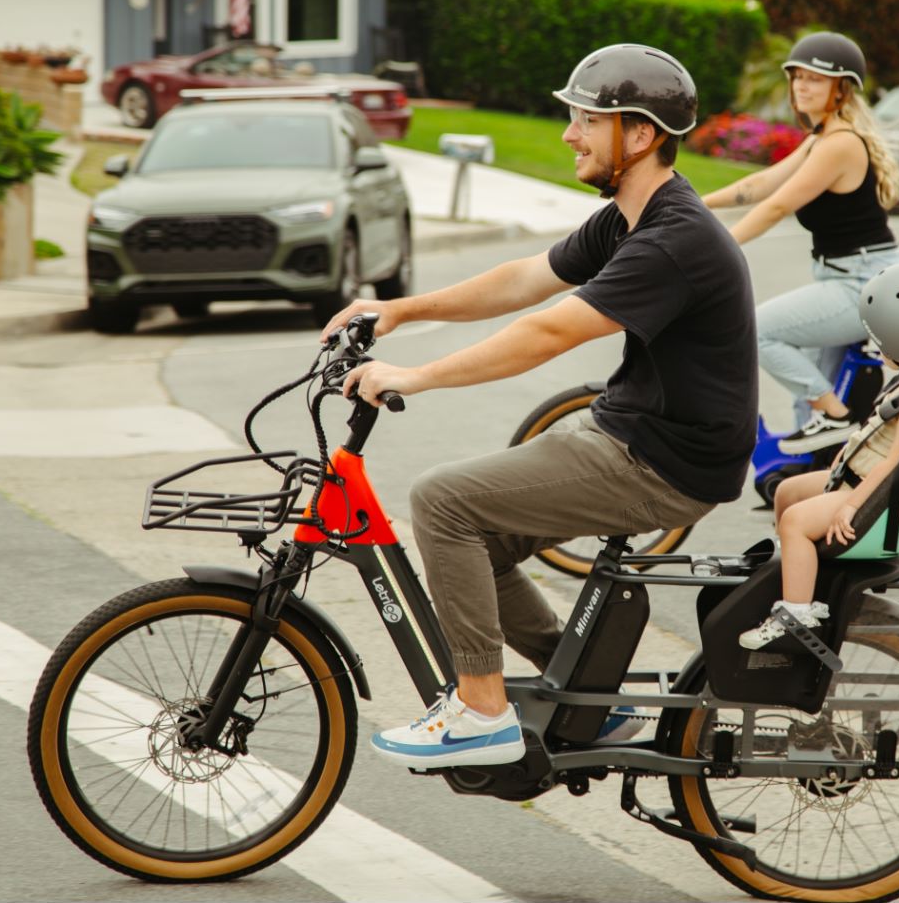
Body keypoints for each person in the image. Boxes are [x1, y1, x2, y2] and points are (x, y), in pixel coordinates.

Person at [322, 44, 760, 769]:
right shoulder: (629, 216)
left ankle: (482, 711)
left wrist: (419, 376)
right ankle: (593, 692)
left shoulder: (674, 238)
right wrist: (401, 308)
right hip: (631, 430)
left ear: (641, 134)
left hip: (663, 460)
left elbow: (549, 331)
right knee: (473, 540)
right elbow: (526, 280)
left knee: (443, 502)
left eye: (586, 119)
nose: (569, 134)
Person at [738, 262, 899, 650]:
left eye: (885, 344)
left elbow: (894, 465)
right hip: (861, 481)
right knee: (787, 492)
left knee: (797, 522)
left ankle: (797, 614)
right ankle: (797, 572)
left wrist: (850, 506)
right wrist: (843, 460)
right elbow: (875, 437)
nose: (880, 349)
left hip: (879, 500)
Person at [702, 31, 899, 452]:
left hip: (863, 286)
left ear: (841, 89)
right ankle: (803, 470)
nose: (801, 86)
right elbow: (760, 185)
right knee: (807, 394)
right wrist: (691, 205)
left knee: (758, 331)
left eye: (815, 79)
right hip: (846, 279)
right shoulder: (821, 139)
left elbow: (776, 207)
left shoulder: (841, 145)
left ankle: (838, 418)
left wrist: (717, 247)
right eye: (797, 77)